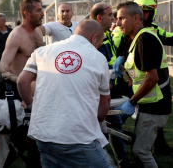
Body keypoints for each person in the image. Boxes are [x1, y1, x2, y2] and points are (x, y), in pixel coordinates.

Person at [112, 0, 173, 156]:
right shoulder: (124, 29)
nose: (143, 15)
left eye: (146, 12)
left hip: (148, 81)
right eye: (140, 11)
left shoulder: (152, 31)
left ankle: (155, 146)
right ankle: (121, 148)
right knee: (120, 118)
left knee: (151, 114)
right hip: (128, 80)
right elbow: (119, 45)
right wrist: (119, 58)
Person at [17, 19, 112, 168]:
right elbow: (104, 102)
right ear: (94, 38)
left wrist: (31, 105)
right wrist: (100, 123)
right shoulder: (98, 58)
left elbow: (22, 82)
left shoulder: (42, 51)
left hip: (43, 135)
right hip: (78, 137)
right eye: (98, 43)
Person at [0, 0, 44, 167]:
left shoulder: (38, 32)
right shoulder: (17, 35)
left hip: (40, 93)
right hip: (24, 95)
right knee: (25, 140)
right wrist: (17, 80)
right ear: (27, 13)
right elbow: (4, 65)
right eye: (39, 10)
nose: (42, 13)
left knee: (34, 141)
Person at [116, 1, 171, 167]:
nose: (117, 24)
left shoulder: (144, 40)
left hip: (155, 106)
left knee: (141, 151)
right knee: (141, 149)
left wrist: (131, 101)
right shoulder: (135, 38)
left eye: (121, 19)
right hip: (147, 103)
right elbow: (138, 73)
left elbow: (151, 77)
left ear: (135, 18)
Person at [91, 3, 133, 168]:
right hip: (99, 92)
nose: (114, 19)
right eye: (110, 16)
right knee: (107, 125)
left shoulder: (106, 34)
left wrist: (121, 69)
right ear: (100, 18)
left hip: (108, 89)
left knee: (114, 123)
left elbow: (111, 59)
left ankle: (122, 161)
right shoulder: (94, 38)